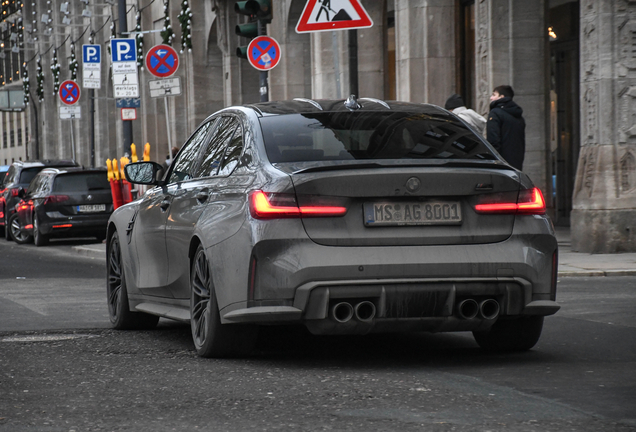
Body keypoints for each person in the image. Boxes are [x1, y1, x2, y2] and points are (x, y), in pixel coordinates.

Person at [486, 85, 526, 170]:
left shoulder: (495, 113)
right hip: (516, 162)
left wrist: (492, 159)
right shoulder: (518, 116)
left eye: (494, 95)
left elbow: (493, 139)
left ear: (501, 97)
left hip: (501, 163)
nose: (491, 98)